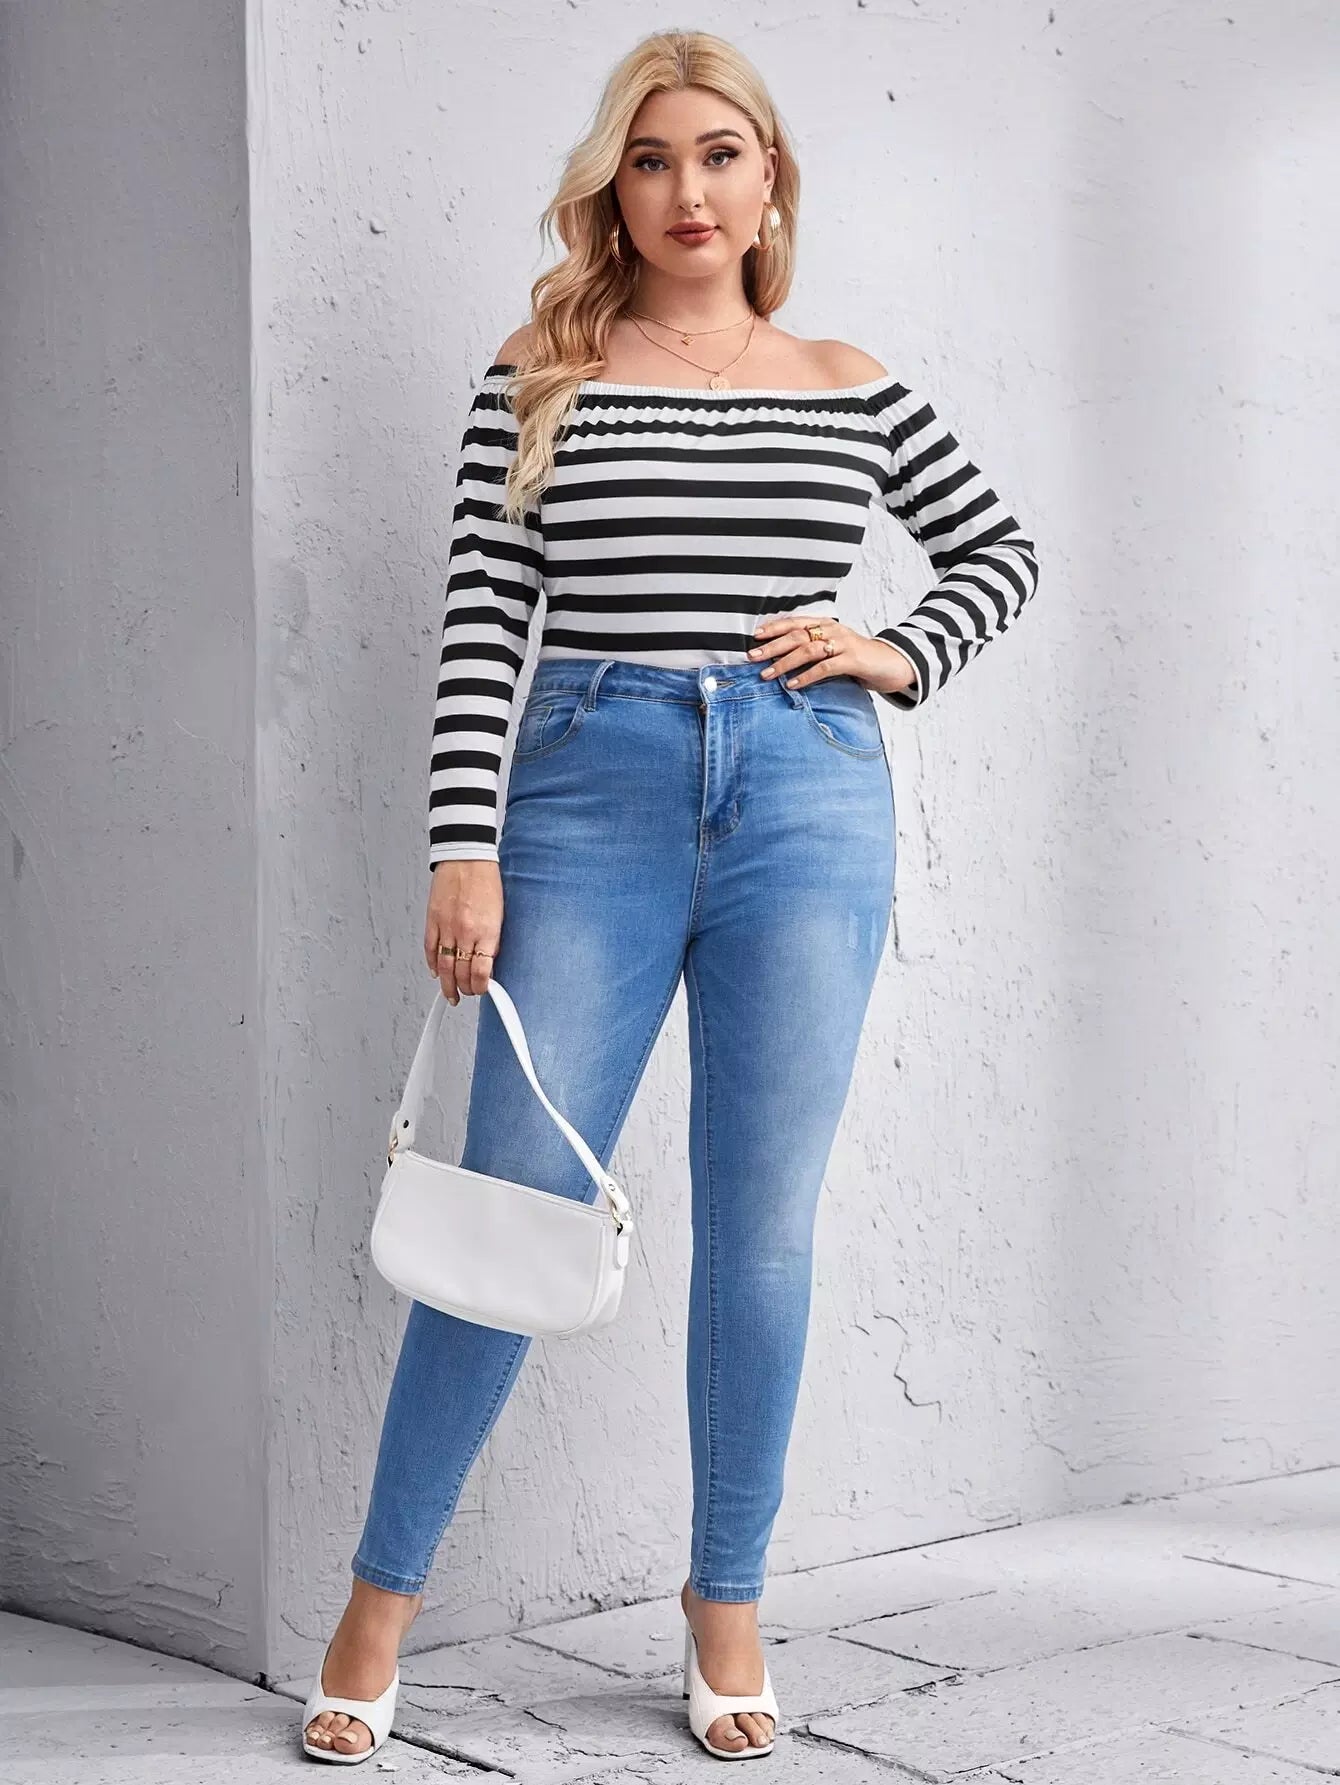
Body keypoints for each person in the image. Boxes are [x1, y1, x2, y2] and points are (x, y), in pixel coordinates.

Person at [302, 26, 1039, 1766]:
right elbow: (485, 618)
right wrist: (461, 844)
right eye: (651, 159)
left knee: (763, 1222)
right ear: (612, 191)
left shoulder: (848, 380)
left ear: (770, 181)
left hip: (806, 795)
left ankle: (727, 1600)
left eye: (720, 154)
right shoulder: (541, 371)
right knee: (516, 1200)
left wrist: (895, 649)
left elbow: (1001, 550)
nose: (687, 190)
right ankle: (378, 1603)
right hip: (589, 789)